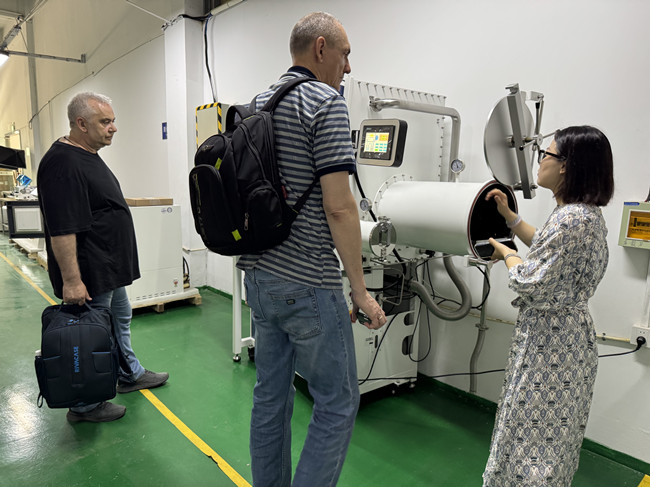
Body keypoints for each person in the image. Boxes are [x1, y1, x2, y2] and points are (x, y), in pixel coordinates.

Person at [236, 12, 387, 487]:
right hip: (308, 281)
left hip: (259, 278)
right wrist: (360, 291)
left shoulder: (256, 103)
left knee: (270, 398)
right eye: (345, 55)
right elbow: (339, 207)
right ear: (321, 48)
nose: (348, 67)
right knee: (338, 403)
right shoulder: (325, 103)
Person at [482, 125, 614, 486]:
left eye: (546, 154)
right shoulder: (581, 214)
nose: (539, 162)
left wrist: (506, 253)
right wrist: (510, 217)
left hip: (551, 347)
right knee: (550, 439)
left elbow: (529, 279)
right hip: (566, 341)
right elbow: (546, 247)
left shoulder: (571, 219)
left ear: (566, 165)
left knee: (533, 443)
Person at [37, 92, 169, 423]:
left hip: (107, 267)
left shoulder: (86, 154)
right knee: (89, 336)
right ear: (81, 124)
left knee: (120, 317)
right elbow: (62, 228)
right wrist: (72, 280)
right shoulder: (62, 163)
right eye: (105, 121)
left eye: (113, 121)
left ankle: (129, 373)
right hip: (90, 270)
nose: (113, 128)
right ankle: (84, 405)